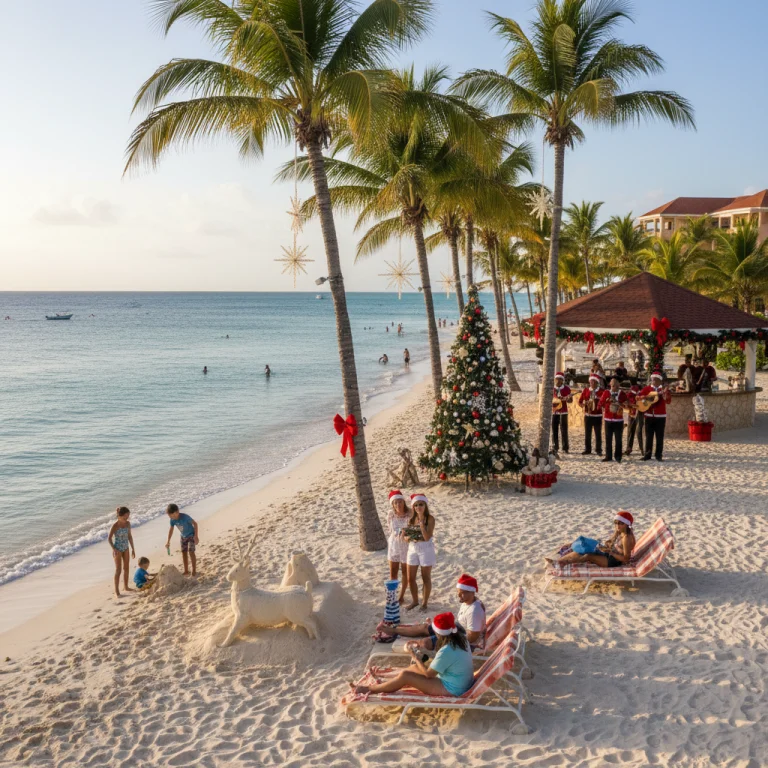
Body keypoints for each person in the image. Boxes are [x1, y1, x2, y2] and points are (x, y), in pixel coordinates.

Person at [354, 612, 474, 697]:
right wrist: (422, 658)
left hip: (453, 689)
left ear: (439, 633)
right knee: (414, 667)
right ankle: (386, 683)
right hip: (461, 682)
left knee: (406, 675)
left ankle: (370, 689)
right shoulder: (461, 640)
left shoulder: (447, 650)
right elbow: (439, 664)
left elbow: (428, 674)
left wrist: (414, 656)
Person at [375, 573, 487, 651]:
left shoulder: (474, 611)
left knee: (426, 642)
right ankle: (392, 630)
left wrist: (447, 635)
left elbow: (472, 638)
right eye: (458, 592)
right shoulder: (468, 601)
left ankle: (420, 657)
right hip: (458, 629)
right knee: (425, 628)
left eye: (462, 593)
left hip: (462, 638)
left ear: (472, 593)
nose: (459, 595)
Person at [549, 511, 636, 568]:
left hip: (614, 561)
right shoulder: (620, 531)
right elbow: (611, 542)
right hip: (610, 554)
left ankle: (564, 563)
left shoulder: (626, 538)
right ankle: (559, 561)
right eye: (616, 523)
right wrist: (606, 546)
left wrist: (610, 552)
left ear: (627, 524)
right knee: (585, 547)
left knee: (588, 555)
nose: (617, 526)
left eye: (621, 523)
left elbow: (626, 559)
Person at [404, 493, 436, 611]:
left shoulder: (430, 518)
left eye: (421, 504)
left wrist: (422, 527)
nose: (418, 507)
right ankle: (415, 601)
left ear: (425, 505)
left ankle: (424, 603)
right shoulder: (412, 519)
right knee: (410, 578)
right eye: (416, 505)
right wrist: (406, 537)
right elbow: (407, 536)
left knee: (425, 577)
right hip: (412, 549)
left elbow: (427, 537)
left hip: (426, 550)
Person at [638, 371, 672, 461]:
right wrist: (645, 398)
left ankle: (658, 455)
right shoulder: (647, 389)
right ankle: (647, 454)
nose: (653, 381)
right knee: (648, 436)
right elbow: (638, 397)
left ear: (660, 381)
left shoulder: (664, 390)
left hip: (660, 416)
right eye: (652, 379)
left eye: (655, 380)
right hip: (649, 415)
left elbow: (668, 401)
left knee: (659, 437)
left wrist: (665, 395)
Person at [386, 490, 410, 603]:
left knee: (405, 572)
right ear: (392, 504)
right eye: (395, 503)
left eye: (400, 502)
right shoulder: (391, 514)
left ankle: (402, 595)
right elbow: (390, 530)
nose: (398, 505)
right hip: (394, 545)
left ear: (403, 502)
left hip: (406, 546)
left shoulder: (410, 513)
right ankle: (393, 595)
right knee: (393, 572)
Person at [108, 507, 136, 598]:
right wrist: (114, 549)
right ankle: (117, 591)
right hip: (118, 549)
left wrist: (133, 549)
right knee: (118, 570)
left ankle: (126, 587)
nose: (126, 518)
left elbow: (130, 536)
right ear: (119, 516)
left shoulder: (128, 524)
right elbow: (109, 539)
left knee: (126, 568)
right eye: (125, 516)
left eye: (128, 516)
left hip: (126, 548)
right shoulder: (115, 525)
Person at [599, 377, 628, 463]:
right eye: (611, 385)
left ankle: (618, 457)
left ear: (618, 385)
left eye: (615, 385)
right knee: (608, 439)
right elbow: (600, 403)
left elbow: (626, 405)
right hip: (608, 419)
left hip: (618, 420)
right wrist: (607, 400)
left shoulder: (622, 394)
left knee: (618, 439)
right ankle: (608, 456)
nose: (613, 387)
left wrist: (620, 403)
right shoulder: (606, 393)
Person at [165, 503, 199, 576]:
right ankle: (186, 570)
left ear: (177, 511)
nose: (172, 517)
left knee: (191, 552)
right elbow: (171, 530)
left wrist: (196, 536)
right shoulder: (172, 520)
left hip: (191, 536)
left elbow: (195, 524)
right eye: (170, 516)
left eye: (173, 515)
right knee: (183, 553)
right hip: (183, 537)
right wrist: (168, 541)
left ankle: (194, 570)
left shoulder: (185, 517)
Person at [579, 374, 605, 455]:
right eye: (591, 381)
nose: (592, 383)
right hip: (588, 415)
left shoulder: (601, 391)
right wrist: (583, 404)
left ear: (597, 382)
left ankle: (598, 449)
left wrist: (598, 400)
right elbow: (580, 402)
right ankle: (588, 449)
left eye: (594, 381)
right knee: (587, 433)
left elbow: (604, 402)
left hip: (597, 415)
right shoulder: (586, 390)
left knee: (598, 433)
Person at [551, 372, 572, 456]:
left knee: (564, 430)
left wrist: (568, 398)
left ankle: (565, 447)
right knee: (554, 430)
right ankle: (555, 447)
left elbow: (570, 401)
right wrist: (556, 399)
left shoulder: (567, 389)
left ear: (562, 380)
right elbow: (550, 400)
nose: (558, 381)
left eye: (560, 379)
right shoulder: (552, 389)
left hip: (563, 412)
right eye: (557, 379)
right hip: (555, 412)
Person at [625, 383, 645, 456]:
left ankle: (642, 449)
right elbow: (626, 403)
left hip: (639, 414)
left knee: (638, 431)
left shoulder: (642, 394)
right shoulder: (630, 394)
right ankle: (629, 448)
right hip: (632, 413)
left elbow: (644, 404)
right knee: (630, 431)